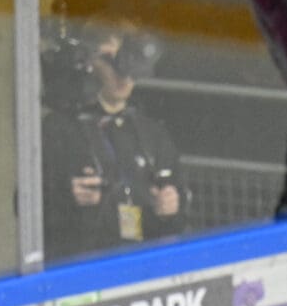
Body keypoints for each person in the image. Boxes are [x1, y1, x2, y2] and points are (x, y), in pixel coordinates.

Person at [43, 20, 185, 262]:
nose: (123, 72)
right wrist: (66, 197)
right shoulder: (60, 129)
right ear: (87, 62)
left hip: (141, 266)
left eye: (131, 59)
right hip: (81, 267)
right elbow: (24, 206)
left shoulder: (152, 133)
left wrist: (170, 208)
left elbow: (179, 213)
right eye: (110, 60)